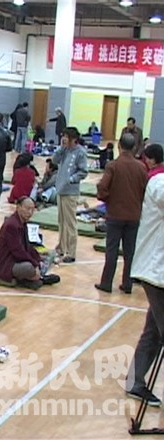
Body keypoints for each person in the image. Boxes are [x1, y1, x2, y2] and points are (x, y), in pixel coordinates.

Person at [125, 143, 164, 407]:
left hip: (158, 271)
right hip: (155, 271)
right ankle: (135, 382)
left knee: (154, 331)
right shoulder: (158, 182)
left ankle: (135, 382)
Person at [95, 134, 147, 295]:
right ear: (134, 148)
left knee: (112, 250)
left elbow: (103, 187)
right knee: (130, 252)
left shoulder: (113, 165)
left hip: (115, 214)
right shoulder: (141, 167)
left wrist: (107, 200)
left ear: (119, 146)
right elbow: (145, 190)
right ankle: (127, 283)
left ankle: (106, 282)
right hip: (134, 215)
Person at [0, 197, 50, 289]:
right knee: (29, 268)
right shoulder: (11, 225)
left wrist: (38, 259)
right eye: (27, 209)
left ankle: (33, 278)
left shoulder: (22, 223)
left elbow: (28, 246)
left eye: (32, 210)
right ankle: (36, 278)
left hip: (17, 260)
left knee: (46, 258)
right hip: (7, 264)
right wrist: (35, 264)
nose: (30, 212)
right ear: (18, 207)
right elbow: (18, 252)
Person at [52, 127, 88, 263]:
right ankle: (61, 247)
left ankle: (71, 252)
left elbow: (83, 171)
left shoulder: (80, 153)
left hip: (71, 192)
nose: (64, 139)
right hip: (60, 190)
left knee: (70, 223)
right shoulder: (64, 150)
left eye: (66, 137)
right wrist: (61, 148)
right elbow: (54, 160)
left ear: (74, 139)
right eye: (63, 136)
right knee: (61, 221)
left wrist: (71, 179)